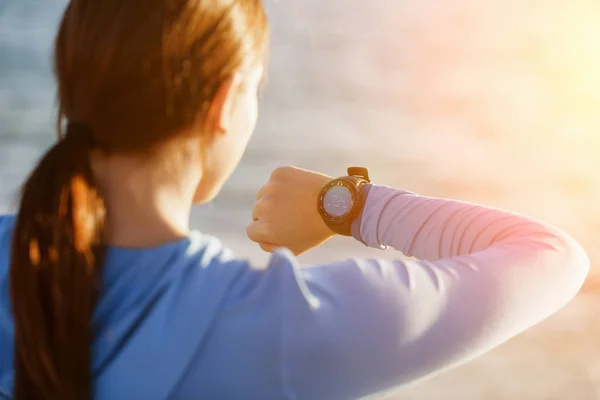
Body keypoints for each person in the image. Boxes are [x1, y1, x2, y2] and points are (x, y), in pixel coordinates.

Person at [0, 0, 589, 399]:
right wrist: (349, 204)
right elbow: (549, 255)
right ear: (225, 104)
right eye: (255, 90)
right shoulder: (275, 326)